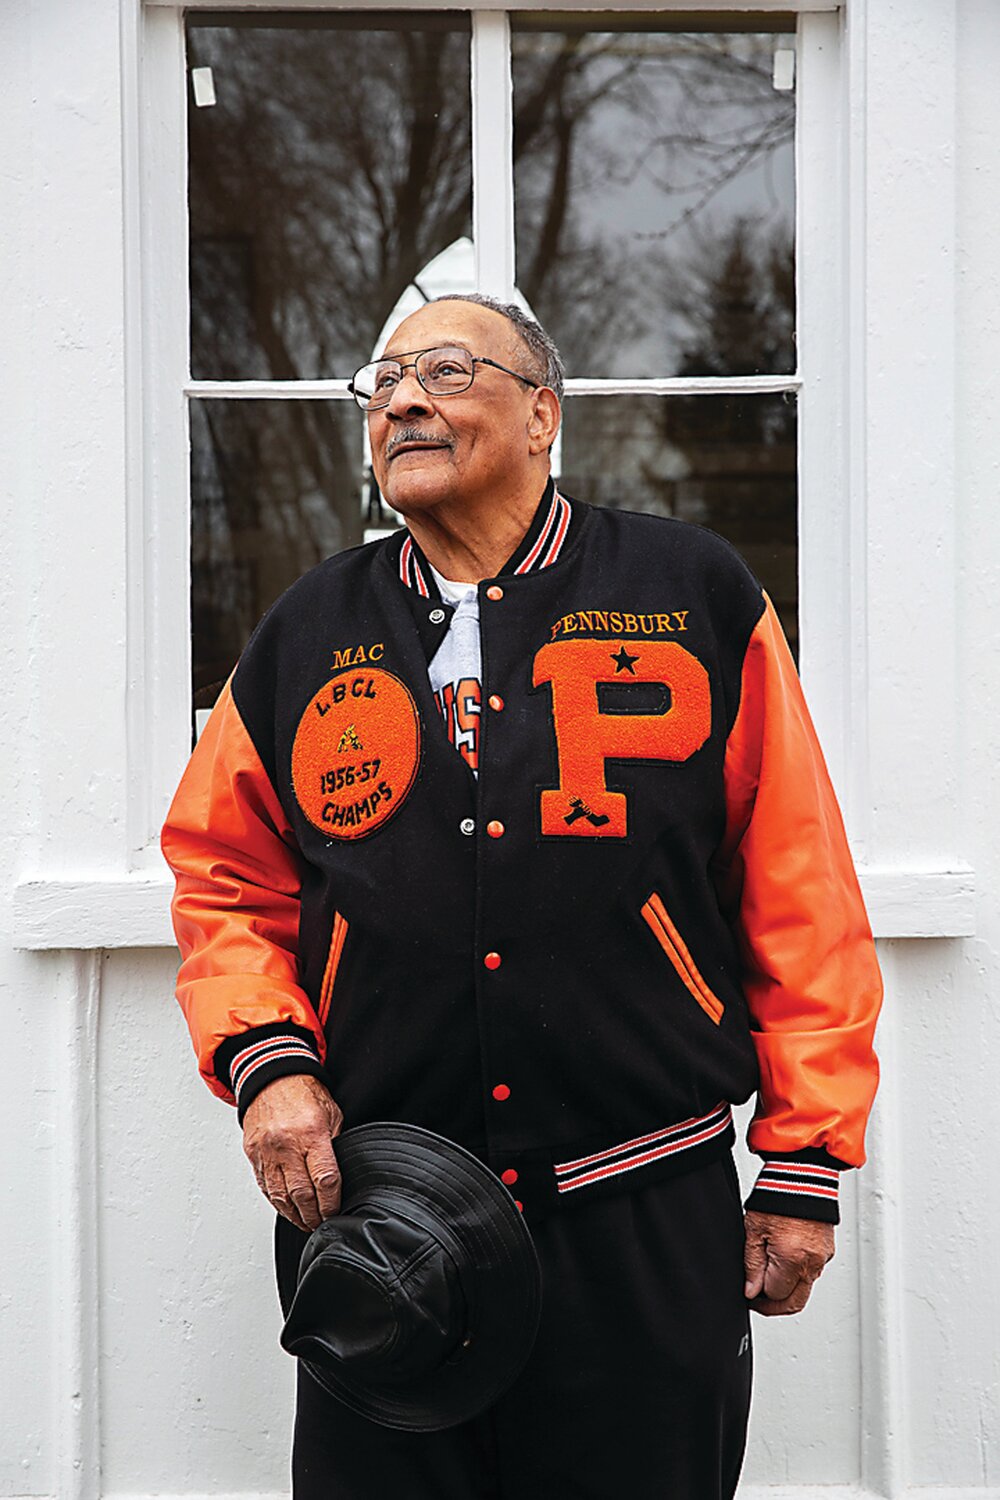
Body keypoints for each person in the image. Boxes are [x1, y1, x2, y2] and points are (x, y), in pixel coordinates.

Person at [162, 294, 882, 1499]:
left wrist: (804, 1163)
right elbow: (224, 873)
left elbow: (796, 883)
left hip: (640, 1206)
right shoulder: (306, 631)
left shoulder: (690, 593)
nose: (400, 400)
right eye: (380, 382)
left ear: (543, 413)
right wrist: (267, 1063)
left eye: (444, 370)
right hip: (384, 1217)